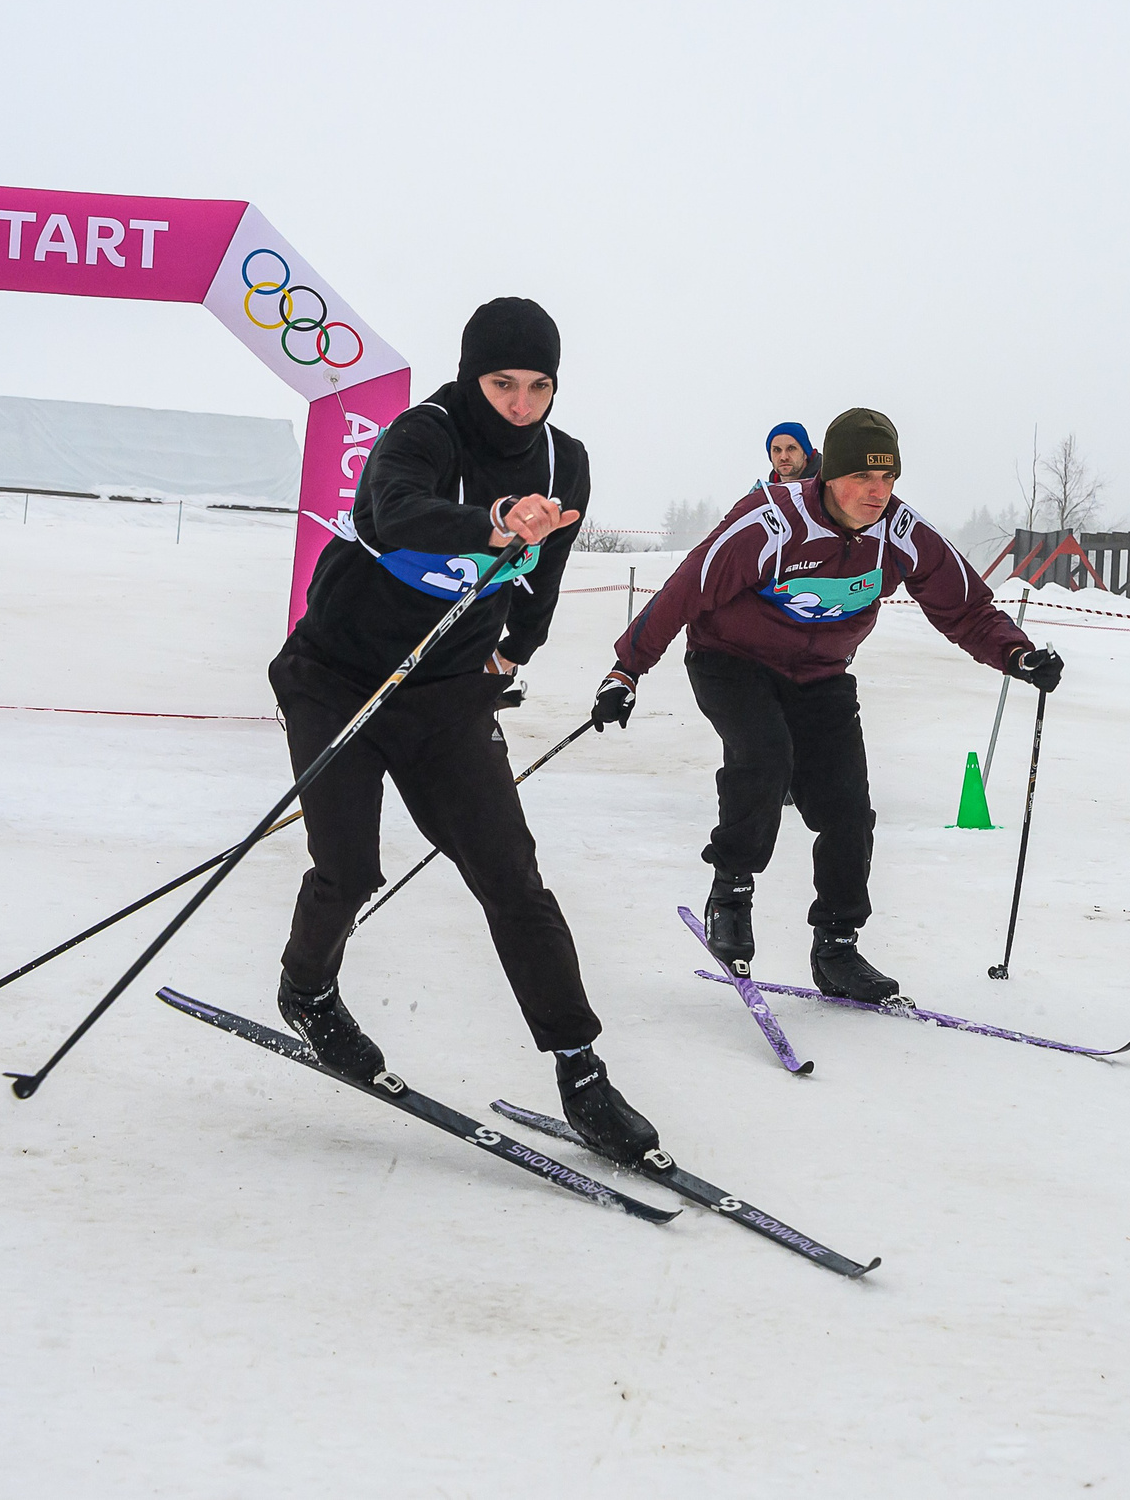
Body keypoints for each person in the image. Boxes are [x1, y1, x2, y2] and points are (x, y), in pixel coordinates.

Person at [268, 295, 660, 1162]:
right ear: (470, 374)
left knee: (510, 877)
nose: (520, 403)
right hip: (338, 675)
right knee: (349, 864)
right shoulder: (426, 431)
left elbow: (544, 572)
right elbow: (391, 511)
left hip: (448, 691)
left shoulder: (565, 461)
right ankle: (309, 991)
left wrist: (516, 649)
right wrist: (490, 523)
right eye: (502, 382)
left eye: (538, 385)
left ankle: (581, 1069)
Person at [593, 407, 1065, 1002]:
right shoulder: (770, 524)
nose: (877, 493)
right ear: (830, 476)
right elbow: (685, 589)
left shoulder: (899, 534)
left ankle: (837, 946)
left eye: (888, 479)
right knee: (765, 756)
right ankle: (732, 892)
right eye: (863, 478)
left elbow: (964, 607)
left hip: (819, 674)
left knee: (847, 806)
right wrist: (626, 670)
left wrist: (1016, 655)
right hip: (731, 659)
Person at [754, 421, 817, 491]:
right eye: (777, 450)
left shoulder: (826, 487)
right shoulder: (762, 495)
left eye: (791, 448)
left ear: (805, 453)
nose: (784, 457)